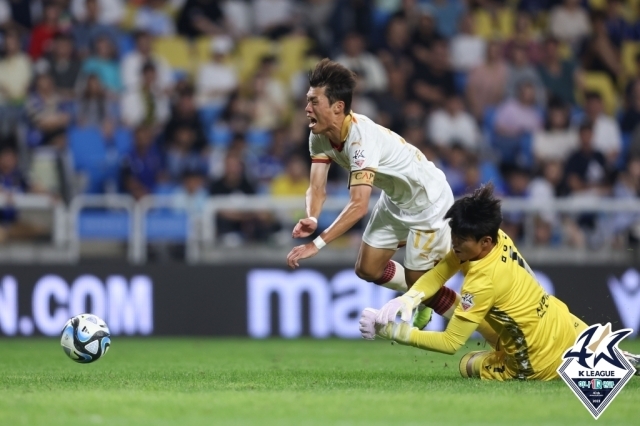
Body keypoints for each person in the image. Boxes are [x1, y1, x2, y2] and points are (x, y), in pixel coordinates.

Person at [359, 184, 640, 380]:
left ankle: (585, 368)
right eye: (453, 235)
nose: (453, 244)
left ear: (484, 242)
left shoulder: (482, 283)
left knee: (467, 364)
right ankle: (606, 359)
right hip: (561, 321)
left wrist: (390, 331)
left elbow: (450, 342)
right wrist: (411, 297)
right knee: (502, 325)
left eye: (460, 240)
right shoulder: (496, 238)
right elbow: (445, 267)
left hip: (534, 362)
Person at [286, 59, 454, 328]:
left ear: (338, 107)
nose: (307, 108)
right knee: (367, 269)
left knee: (416, 281)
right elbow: (316, 187)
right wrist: (313, 218)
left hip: (427, 199)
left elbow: (359, 205)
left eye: (314, 102)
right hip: (396, 198)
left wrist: (315, 244)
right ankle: (423, 295)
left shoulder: (360, 140)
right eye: (308, 101)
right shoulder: (318, 135)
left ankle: (484, 327)